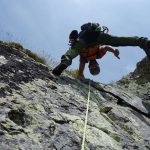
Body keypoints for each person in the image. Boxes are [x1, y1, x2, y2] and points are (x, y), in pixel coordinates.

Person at [52, 22, 150, 76]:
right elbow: (106, 47)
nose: (94, 66)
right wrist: (113, 51)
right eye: (96, 67)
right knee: (117, 41)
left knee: (74, 50)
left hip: (86, 39)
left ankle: (66, 61)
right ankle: (142, 42)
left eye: (92, 68)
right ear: (98, 64)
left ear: (89, 67)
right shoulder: (98, 55)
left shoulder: (84, 59)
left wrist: (81, 75)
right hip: (93, 38)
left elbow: (81, 71)